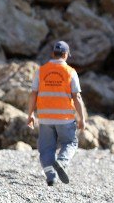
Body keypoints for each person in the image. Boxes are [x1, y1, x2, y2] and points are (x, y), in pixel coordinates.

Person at [26, 41, 86, 186]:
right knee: (70, 143)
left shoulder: (41, 70)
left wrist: (30, 114)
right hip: (65, 118)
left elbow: (33, 94)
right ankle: (62, 162)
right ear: (65, 55)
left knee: (46, 148)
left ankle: (51, 176)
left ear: (53, 53)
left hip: (45, 118)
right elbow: (76, 97)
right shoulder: (70, 72)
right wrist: (81, 118)